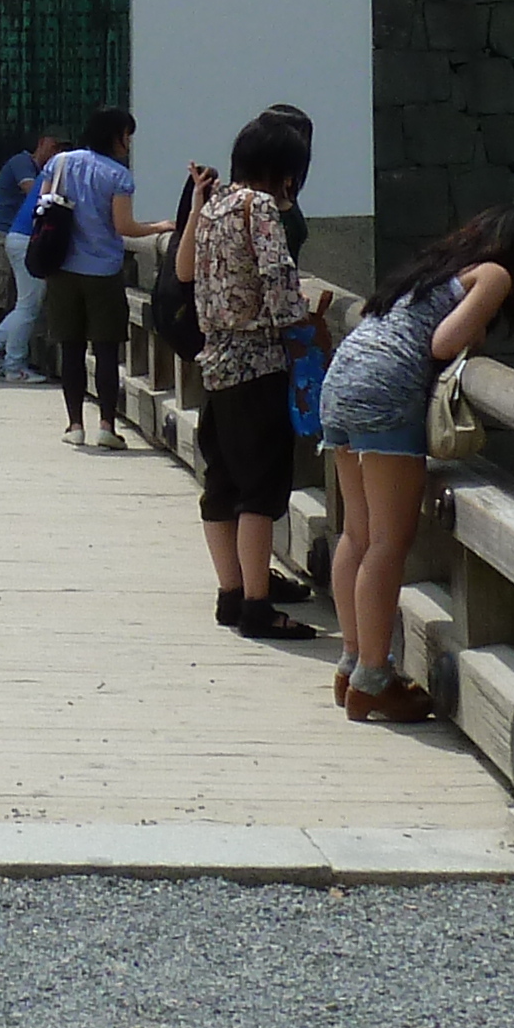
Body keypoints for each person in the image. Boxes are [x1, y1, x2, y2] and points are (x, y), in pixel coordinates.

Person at [320, 206, 514, 719]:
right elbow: (443, 341)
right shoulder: (495, 273)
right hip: (386, 390)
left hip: (345, 378)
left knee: (356, 533)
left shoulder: (433, 269)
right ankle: (375, 677)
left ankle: (351, 663)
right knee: (388, 542)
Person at [184, 110, 320, 641]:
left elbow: (187, 270)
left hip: (216, 360)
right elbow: (278, 276)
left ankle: (231, 594)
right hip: (260, 361)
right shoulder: (259, 207)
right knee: (261, 489)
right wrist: (302, 328)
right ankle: (260, 608)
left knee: (221, 483)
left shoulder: (216, 206)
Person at [40, 106, 166, 450]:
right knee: (107, 350)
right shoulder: (118, 175)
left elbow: (44, 206)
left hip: (63, 269)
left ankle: (74, 424)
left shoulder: (61, 163)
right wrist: (160, 227)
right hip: (103, 272)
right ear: (116, 135)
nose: (129, 142)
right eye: (127, 135)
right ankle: (107, 424)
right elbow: (124, 227)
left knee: (72, 348)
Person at [0, 131, 60, 370]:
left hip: (11, 237)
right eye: (55, 146)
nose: (57, 152)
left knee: (20, 302)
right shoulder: (23, 163)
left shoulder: (47, 172)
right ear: (41, 142)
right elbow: (33, 192)